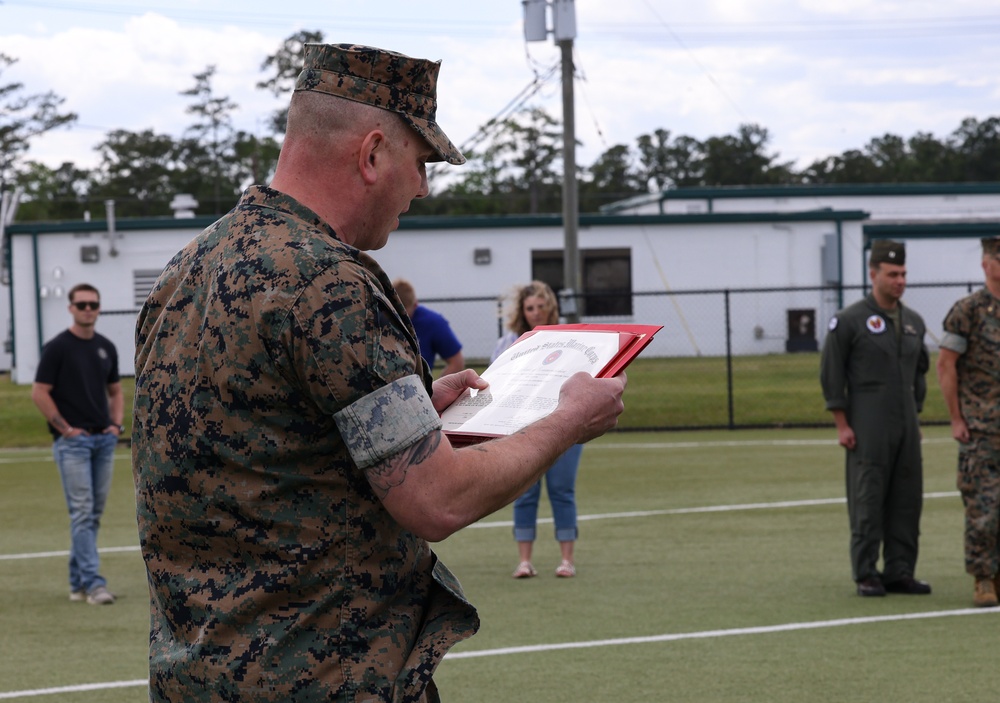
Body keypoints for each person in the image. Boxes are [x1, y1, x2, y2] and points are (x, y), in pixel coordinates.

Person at [132, 43, 626, 703]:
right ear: (370, 154)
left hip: (195, 679)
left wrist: (414, 404)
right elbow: (436, 499)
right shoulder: (329, 279)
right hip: (323, 677)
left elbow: (263, 439)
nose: (421, 187)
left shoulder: (190, 265)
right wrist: (567, 419)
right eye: (420, 163)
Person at [820, 239, 931, 598]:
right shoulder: (850, 321)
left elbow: (919, 374)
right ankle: (866, 572)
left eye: (903, 274)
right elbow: (832, 374)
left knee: (907, 498)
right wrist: (842, 423)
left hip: (906, 421)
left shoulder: (914, 322)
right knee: (868, 497)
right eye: (892, 273)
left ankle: (899, 571)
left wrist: (914, 420)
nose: (900, 280)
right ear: (873, 274)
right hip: (868, 419)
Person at [31, 283, 124, 606]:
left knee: (92, 514)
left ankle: (77, 582)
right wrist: (66, 430)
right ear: (70, 307)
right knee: (83, 512)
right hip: (74, 444)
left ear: (99, 308)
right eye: (82, 304)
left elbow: (116, 390)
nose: (88, 309)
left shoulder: (106, 347)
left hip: (103, 441)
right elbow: (39, 391)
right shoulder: (57, 347)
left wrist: (115, 425)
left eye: (93, 304)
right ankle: (95, 584)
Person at [491, 281, 584, 579]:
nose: (535, 313)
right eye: (529, 308)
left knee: (561, 491)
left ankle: (567, 560)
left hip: (563, 426)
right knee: (524, 493)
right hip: (521, 430)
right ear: (522, 311)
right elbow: (496, 384)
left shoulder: (569, 339)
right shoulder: (508, 344)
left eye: (541, 307)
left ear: (550, 308)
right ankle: (524, 561)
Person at [936, 236, 1000, 608]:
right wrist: (956, 418)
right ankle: (983, 578)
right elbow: (946, 365)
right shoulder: (968, 311)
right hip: (981, 427)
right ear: (985, 264)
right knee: (983, 507)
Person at [393, 277, 465, 375]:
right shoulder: (375, 318)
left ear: (415, 305)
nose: (398, 319)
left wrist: (435, 388)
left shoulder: (432, 322)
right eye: (393, 313)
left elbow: (457, 362)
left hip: (417, 386)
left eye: (403, 314)